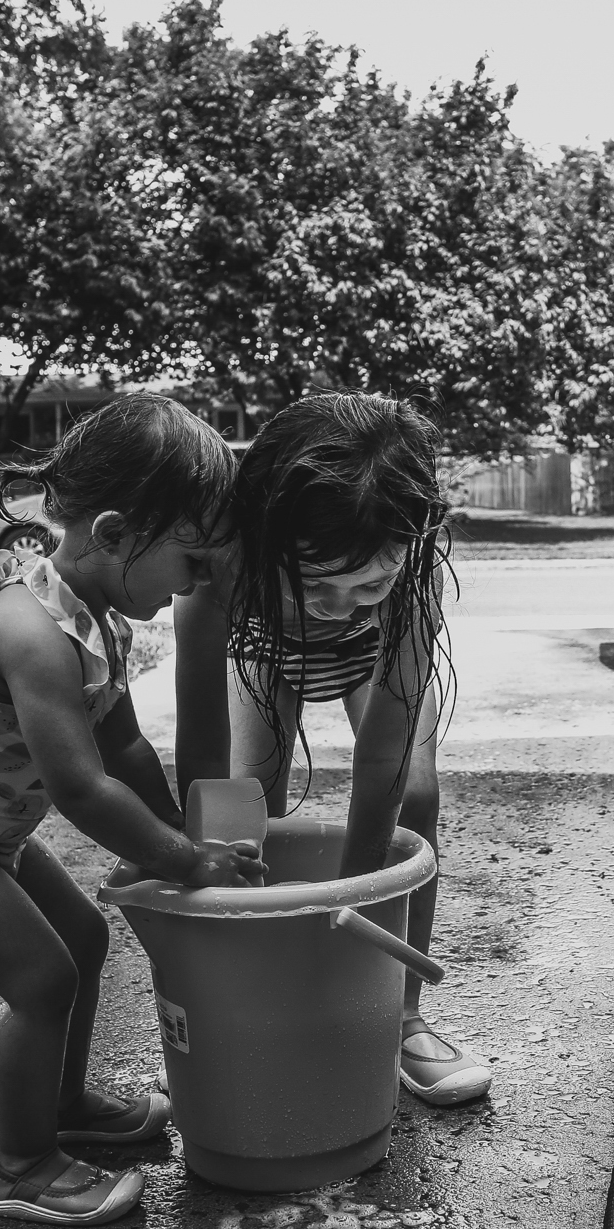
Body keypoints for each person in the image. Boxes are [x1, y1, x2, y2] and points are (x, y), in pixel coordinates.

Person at [0, 394, 266, 1227]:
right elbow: (80, 787)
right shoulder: (33, 631)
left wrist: (180, 830)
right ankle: (21, 1163)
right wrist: (184, 862)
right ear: (114, 533)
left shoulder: (94, 620)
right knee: (44, 977)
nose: (200, 582)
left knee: (84, 936)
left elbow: (129, 753)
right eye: (191, 560)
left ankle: (62, 1104)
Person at [170, 392, 491, 1106]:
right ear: (265, 536)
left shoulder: (409, 579)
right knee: (247, 803)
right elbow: (201, 750)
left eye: (369, 582)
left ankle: (399, 1014)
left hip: (370, 658)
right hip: (265, 648)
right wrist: (203, 859)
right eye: (320, 584)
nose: (345, 601)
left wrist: (352, 905)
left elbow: (384, 756)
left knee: (414, 794)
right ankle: (248, 1004)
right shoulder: (222, 565)